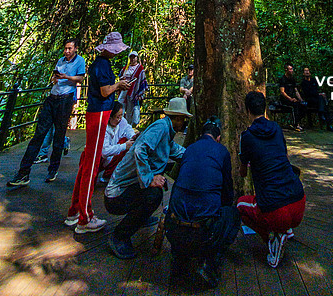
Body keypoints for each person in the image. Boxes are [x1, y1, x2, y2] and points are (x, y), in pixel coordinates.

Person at [104, 96, 190, 260]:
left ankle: (139, 218)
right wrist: (149, 178)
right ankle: (119, 236)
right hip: (116, 196)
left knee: (153, 193)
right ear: (177, 118)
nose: (184, 123)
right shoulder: (160, 128)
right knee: (153, 195)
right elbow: (139, 150)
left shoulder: (166, 133)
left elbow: (177, 151)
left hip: (126, 191)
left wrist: (198, 155)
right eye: (183, 119)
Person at [65, 31, 130, 233]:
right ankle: (85, 218)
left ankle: (74, 211)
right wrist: (118, 84)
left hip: (98, 113)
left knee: (87, 163)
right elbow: (104, 92)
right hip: (99, 114)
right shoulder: (102, 65)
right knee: (92, 166)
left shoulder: (99, 64)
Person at [165, 116, 240, 287]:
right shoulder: (221, 152)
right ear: (218, 138)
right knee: (232, 214)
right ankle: (209, 262)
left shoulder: (189, 149)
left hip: (174, 228)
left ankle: (179, 260)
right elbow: (227, 194)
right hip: (204, 231)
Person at [237, 91, 305, 268]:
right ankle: (286, 230)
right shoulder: (276, 128)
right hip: (298, 201)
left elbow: (243, 173)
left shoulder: (247, 136)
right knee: (281, 209)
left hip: (274, 208)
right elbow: (283, 154)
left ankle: (273, 239)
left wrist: (247, 161)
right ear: (265, 107)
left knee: (240, 206)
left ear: (247, 110)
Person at [7, 39, 85, 188]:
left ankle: (53, 169)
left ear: (75, 49)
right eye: (65, 49)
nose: (67, 51)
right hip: (52, 98)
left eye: (69, 49)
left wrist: (66, 77)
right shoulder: (61, 61)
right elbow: (54, 77)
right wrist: (55, 78)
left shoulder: (80, 61)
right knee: (39, 134)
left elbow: (80, 78)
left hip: (65, 99)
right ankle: (23, 172)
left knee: (59, 136)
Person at [96, 102, 137, 185]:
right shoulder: (104, 128)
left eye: (121, 116)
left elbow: (127, 129)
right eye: (117, 117)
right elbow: (105, 152)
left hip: (111, 157)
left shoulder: (122, 121)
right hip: (100, 158)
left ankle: (109, 175)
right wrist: (124, 146)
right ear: (110, 117)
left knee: (127, 144)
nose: (119, 119)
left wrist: (133, 137)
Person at [300, 67, 333, 132]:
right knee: (322, 100)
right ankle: (325, 119)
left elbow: (319, 85)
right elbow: (307, 93)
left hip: (317, 100)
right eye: (305, 71)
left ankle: (326, 121)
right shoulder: (303, 82)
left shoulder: (313, 80)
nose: (307, 72)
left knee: (322, 101)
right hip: (309, 100)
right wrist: (319, 94)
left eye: (308, 70)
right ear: (303, 73)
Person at [119, 50, 149, 127]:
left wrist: (140, 93)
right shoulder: (125, 68)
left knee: (131, 111)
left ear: (137, 58)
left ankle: (129, 126)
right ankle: (120, 125)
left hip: (133, 92)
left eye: (134, 57)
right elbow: (120, 76)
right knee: (120, 107)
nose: (132, 59)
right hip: (124, 91)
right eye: (131, 57)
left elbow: (142, 80)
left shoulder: (140, 69)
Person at [278, 63, 307, 131]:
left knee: (303, 106)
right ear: (286, 70)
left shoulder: (292, 79)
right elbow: (282, 92)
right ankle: (296, 125)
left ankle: (295, 122)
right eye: (290, 69)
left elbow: (296, 90)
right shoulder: (283, 79)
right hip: (285, 99)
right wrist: (290, 99)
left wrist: (301, 100)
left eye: (292, 69)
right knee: (295, 106)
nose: (292, 70)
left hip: (293, 98)